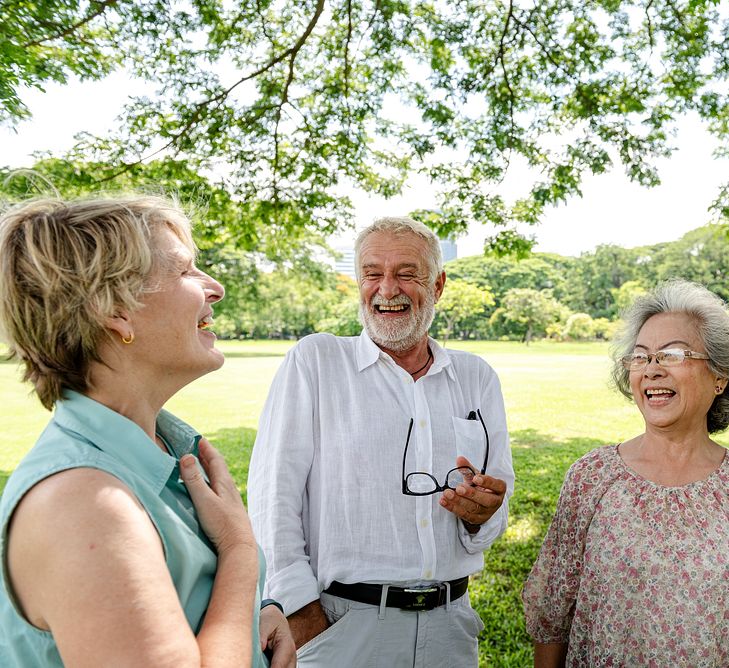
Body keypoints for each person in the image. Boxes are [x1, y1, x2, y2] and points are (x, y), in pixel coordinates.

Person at [0, 196, 295, 667]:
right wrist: (239, 552)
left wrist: (258, 611)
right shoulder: (85, 503)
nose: (214, 287)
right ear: (115, 310)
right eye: (185, 272)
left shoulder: (163, 453)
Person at [247, 216, 515, 667]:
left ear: (438, 285)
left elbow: (496, 504)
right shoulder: (316, 361)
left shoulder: (476, 377)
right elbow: (273, 498)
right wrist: (300, 611)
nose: (387, 289)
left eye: (407, 274)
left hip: (450, 629)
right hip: (341, 627)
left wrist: (479, 516)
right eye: (373, 273)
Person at [522, 279, 729, 667]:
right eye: (641, 357)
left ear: (719, 375)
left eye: (673, 354)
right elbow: (552, 617)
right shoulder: (591, 478)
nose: (652, 370)